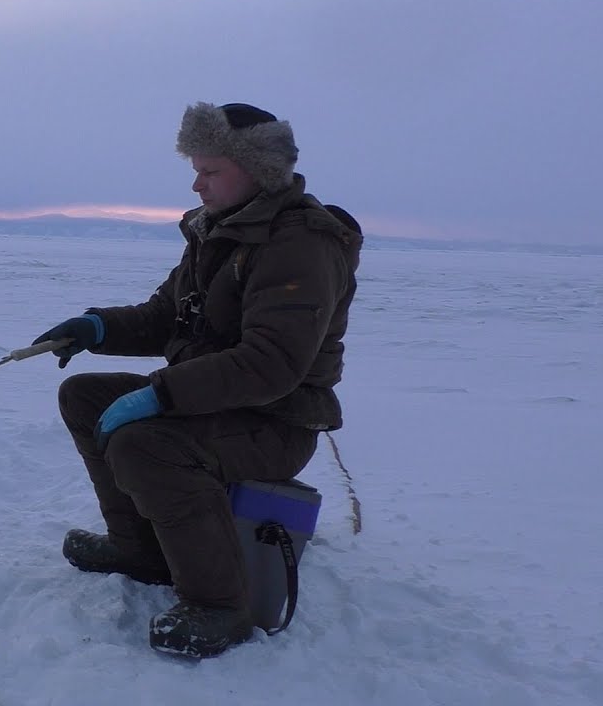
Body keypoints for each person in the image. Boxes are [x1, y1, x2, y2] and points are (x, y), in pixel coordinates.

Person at [32, 101, 362, 659]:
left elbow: (271, 364)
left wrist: (160, 394)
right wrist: (95, 327)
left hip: (275, 421)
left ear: (258, 170)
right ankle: (140, 550)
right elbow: (167, 316)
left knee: (147, 442)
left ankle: (219, 605)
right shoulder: (219, 235)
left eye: (209, 171)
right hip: (220, 403)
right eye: (196, 169)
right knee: (84, 395)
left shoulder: (300, 244)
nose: (195, 185)